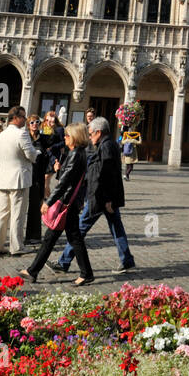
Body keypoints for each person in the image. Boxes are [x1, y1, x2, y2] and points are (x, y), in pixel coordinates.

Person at [54, 116, 136, 278]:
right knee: (115, 227)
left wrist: (107, 200)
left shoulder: (106, 147)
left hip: (101, 197)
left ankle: (64, 262)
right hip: (105, 196)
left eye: (91, 133)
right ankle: (126, 259)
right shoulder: (106, 145)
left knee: (81, 228)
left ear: (99, 132)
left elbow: (106, 175)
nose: (89, 136)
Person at [26, 122, 93, 284]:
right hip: (70, 202)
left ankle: (33, 271)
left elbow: (64, 183)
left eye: (68, 135)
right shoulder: (76, 152)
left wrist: (48, 202)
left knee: (59, 237)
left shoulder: (77, 153)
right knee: (71, 238)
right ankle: (86, 273)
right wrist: (59, 169)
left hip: (67, 202)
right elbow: (67, 176)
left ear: (75, 137)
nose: (64, 137)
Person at [0, 108, 39, 256]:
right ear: (16, 118)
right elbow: (30, 153)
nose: (25, 120)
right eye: (23, 117)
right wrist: (37, 153)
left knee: (2, 212)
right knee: (18, 213)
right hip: (19, 177)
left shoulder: (2, 134)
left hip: (4, 177)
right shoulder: (21, 133)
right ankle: (17, 246)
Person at [25, 114, 49, 244]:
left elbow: (58, 140)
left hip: (38, 176)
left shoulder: (43, 139)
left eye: (37, 122)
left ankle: (33, 236)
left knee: (35, 206)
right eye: (32, 122)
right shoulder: (25, 137)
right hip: (26, 174)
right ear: (28, 124)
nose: (35, 125)